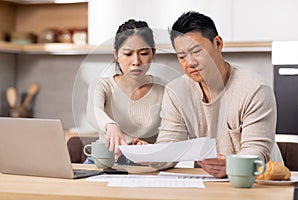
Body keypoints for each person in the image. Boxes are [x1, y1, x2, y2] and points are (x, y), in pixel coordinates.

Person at [135, 11, 278, 178]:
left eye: (197, 51)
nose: (190, 62)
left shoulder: (254, 89)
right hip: (209, 182)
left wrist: (231, 165)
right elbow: (170, 148)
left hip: (260, 182)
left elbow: (257, 151)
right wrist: (152, 154)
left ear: (217, 44)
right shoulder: (177, 91)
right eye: (182, 56)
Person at [86, 19, 166, 163]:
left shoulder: (165, 89)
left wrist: (154, 150)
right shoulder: (102, 85)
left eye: (143, 53)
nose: (136, 61)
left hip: (145, 166)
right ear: (116, 55)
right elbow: (94, 111)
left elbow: (173, 134)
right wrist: (110, 126)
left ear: (153, 53)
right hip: (105, 162)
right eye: (128, 54)